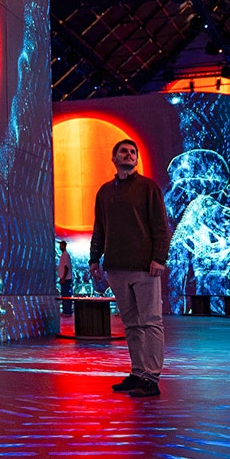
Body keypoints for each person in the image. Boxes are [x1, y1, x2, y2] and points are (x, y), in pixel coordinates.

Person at [88, 139, 170, 399]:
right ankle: (138, 372)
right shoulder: (104, 191)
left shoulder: (148, 188)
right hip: (116, 267)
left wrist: (159, 258)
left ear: (137, 159)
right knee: (132, 324)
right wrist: (94, 259)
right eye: (123, 151)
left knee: (150, 322)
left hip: (145, 268)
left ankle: (151, 377)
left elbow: (160, 226)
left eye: (133, 151)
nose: (129, 154)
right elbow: (99, 228)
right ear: (114, 158)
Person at [57, 240, 73, 315]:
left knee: (66, 295)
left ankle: (67, 311)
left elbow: (66, 267)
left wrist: (63, 278)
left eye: (61, 245)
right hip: (64, 279)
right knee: (64, 295)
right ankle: (65, 310)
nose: (60, 247)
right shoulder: (63, 255)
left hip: (66, 279)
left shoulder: (65, 255)